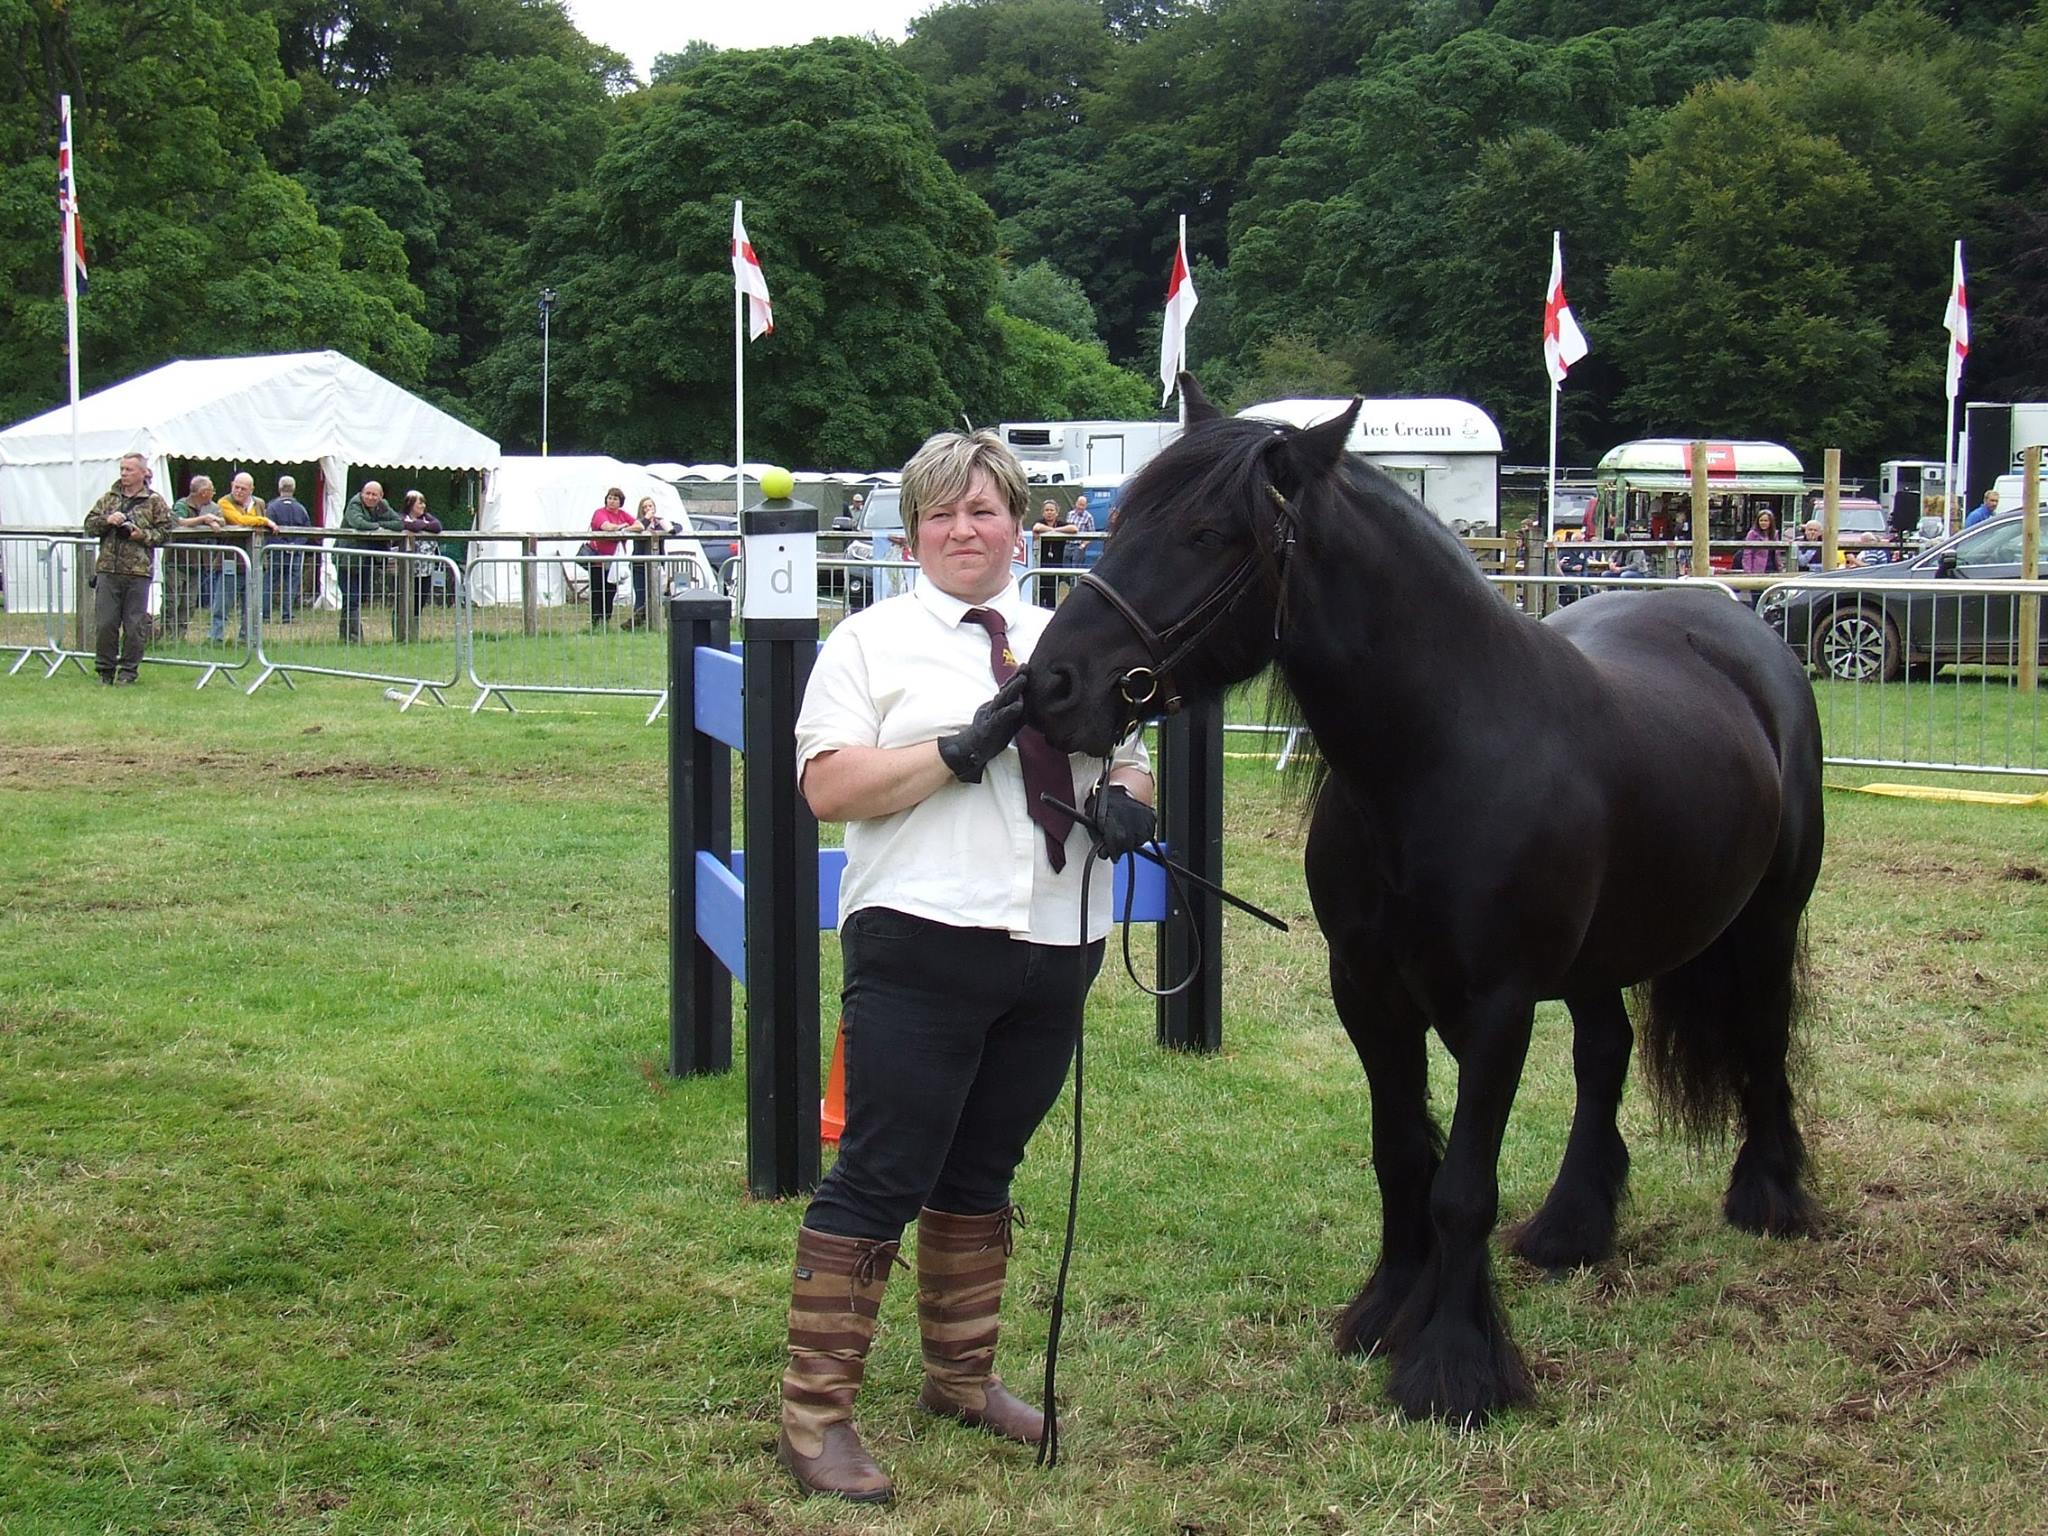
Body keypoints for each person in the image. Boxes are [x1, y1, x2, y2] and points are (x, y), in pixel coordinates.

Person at [781, 429, 1153, 1504]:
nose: (961, 530)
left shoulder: (1068, 632)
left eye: (982, 511)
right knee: (883, 1171)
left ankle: (960, 1375)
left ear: (1021, 526)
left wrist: (1129, 792)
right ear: (909, 536)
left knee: (984, 1169)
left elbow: (1130, 746)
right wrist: (953, 751)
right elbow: (830, 788)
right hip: (921, 937)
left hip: (1054, 940)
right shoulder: (868, 642)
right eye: (940, 514)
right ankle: (815, 1417)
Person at [82, 453, 174, 683]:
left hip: (138, 571)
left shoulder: (154, 501)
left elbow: (165, 533)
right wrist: (107, 521)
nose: (124, 473)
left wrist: (140, 534)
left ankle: (128, 671)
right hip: (108, 570)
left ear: (143, 473)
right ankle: (105, 670)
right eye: (122, 469)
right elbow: (89, 525)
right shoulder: (109, 499)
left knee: (134, 626)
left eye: (129, 469)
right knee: (105, 624)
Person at [211, 472, 278, 645]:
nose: (239, 491)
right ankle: (216, 638)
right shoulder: (224, 502)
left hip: (255, 561)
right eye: (236, 487)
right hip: (230, 560)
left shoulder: (260, 503)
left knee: (252, 605)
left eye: (243, 488)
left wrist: (262, 522)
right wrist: (264, 521)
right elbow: (238, 520)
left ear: (251, 489)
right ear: (231, 485)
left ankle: (247, 639)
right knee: (222, 604)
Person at [160, 474, 226, 644]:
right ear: (204, 492)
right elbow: (179, 522)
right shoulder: (182, 504)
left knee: (189, 603)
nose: (213, 494)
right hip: (177, 561)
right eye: (211, 490)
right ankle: (167, 637)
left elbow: (222, 520)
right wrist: (204, 520)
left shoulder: (212, 506)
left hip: (197, 563)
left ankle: (180, 637)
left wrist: (213, 521)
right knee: (172, 600)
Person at [336, 481, 401, 643]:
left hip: (364, 559)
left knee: (356, 598)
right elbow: (357, 523)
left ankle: (346, 637)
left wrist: (378, 526)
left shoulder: (382, 505)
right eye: (368, 493)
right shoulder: (354, 504)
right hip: (347, 558)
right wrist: (379, 527)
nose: (371, 497)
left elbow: (399, 523)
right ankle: (354, 639)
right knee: (352, 597)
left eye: (374, 494)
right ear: (362, 493)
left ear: (381, 496)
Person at [265, 475, 313, 624]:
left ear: (279, 488)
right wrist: (295, 545)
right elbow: (307, 530)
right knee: (291, 583)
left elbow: (266, 529)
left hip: (276, 550)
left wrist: (280, 544)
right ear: (294, 489)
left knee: (269, 582)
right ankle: (287, 615)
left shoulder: (272, 507)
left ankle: (264, 615)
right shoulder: (301, 509)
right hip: (295, 552)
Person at [587, 487, 634, 628]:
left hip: (615, 561)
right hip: (598, 558)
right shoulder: (599, 512)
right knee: (597, 591)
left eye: (615, 499)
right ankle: (596, 622)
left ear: (621, 502)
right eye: (610, 498)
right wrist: (620, 527)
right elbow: (605, 526)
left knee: (610, 591)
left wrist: (625, 528)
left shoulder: (623, 514)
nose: (612, 501)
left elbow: (638, 524)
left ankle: (606, 621)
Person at [399, 489, 443, 632]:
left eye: (423, 503)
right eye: (419, 503)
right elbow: (411, 526)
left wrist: (421, 525)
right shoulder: (402, 518)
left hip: (426, 570)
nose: (423, 506)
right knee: (404, 602)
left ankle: (414, 632)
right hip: (407, 570)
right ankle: (401, 630)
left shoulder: (427, 517)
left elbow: (437, 526)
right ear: (410, 504)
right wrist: (421, 525)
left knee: (420, 601)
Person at [627, 494, 671, 626]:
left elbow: (676, 527)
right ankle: (636, 624)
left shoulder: (659, 523)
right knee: (641, 595)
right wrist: (646, 518)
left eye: (650, 506)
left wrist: (669, 528)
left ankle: (651, 622)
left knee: (655, 595)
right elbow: (640, 527)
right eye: (644, 507)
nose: (647, 508)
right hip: (639, 564)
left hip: (656, 564)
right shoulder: (637, 523)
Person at [1029, 498, 1063, 607]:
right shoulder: (1039, 522)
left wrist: (1055, 531)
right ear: (1043, 513)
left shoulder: (1060, 524)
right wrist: (1050, 530)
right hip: (1040, 566)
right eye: (1047, 510)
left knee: (1052, 599)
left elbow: (1074, 528)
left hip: (1056, 566)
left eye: (1052, 510)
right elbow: (1036, 527)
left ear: (1057, 513)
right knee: (1039, 596)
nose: (1049, 512)